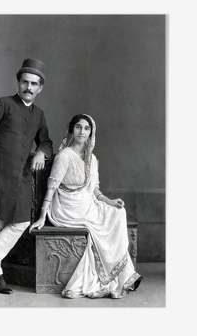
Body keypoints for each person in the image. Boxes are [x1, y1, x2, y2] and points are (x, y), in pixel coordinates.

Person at [29, 114, 143, 299]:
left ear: (91, 132)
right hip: (67, 207)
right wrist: (43, 216)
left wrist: (109, 202)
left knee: (118, 212)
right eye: (78, 127)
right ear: (71, 130)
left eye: (86, 128)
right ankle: (117, 279)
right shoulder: (65, 156)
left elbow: (94, 190)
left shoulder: (92, 158)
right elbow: (52, 188)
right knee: (109, 220)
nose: (82, 132)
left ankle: (117, 279)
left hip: (86, 202)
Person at [0, 58, 53, 294]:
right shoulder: (2, 104)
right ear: (18, 82)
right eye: (25, 82)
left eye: (34, 84)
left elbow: (45, 141)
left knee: (21, 221)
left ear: (40, 88)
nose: (29, 87)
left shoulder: (39, 114)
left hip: (20, 177)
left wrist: (42, 154)